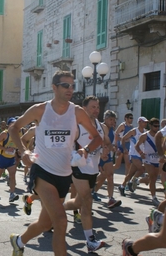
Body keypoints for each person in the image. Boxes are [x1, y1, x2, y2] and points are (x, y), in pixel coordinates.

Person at [7, 70, 103, 256]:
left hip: (64, 175)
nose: (70, 89)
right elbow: (14, 128)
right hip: (42, 171)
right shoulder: (40, 110)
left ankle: (18, 241)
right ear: (54, 87)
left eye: (72, 85)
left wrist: (86, 150)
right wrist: (24, 151)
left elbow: (97, 138)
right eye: (65, 85)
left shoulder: (77, 112)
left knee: (46, 223)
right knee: (60, 220)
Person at [63, 95, 109, 253]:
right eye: (93, 107)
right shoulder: (77, 125)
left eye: (98, 107)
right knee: (87, 202)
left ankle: (57, 208)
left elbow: (104, 143)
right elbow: (66, 144)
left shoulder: (100, 126)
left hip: (93, 169)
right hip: (78, 168)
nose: (96, 110)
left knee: (78, 202)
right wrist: (75, 154)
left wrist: (104, 152)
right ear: (84, 109)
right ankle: (90, 240)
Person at [93, 110, 122, 208]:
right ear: (105, 119)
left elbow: (111, 144)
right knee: (103, 175)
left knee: (110, 175)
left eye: (114, 120)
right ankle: (92, 189)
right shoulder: (99, 127)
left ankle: (110, 199)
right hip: (97, 154)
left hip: (107, 156)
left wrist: (114, 149)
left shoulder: (112, 132)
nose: (112, 122)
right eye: (110, 119)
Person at [134, 118, 162, 207]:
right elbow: (137, 146)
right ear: (150, 126)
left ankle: (137, 181)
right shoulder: (144, 136)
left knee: (152, 177)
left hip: (157, 159)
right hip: (147, 159)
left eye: (158, 126)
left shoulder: (160, 135)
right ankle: (154, 197)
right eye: (155, 126)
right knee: (153, 177)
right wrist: (141, 153)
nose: (157, 128)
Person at [119, 117, 148, 196]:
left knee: (130, 173)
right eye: (144, 122)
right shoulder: (134, 131)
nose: (145, 124)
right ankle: (132, 182)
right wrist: (124, 148)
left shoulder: (145, 132)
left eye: (146, 122)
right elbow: (123, 138)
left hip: (141, 154)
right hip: (134, 154)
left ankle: (122, 186)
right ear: (139, 122)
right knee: (141, 169)